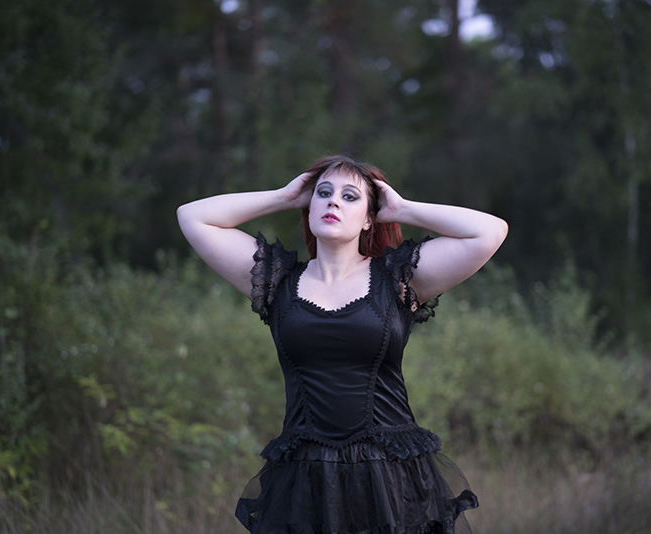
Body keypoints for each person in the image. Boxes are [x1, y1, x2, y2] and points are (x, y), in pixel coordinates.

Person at [177, 155, 508, 533]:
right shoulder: (277, 281)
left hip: (391, 478)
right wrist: (284, 197)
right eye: (323, 193)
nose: (333, 201)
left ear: (369, 218)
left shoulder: (399, 278)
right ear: (309, 206)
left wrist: (401, 209)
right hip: (306, 481)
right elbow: (193, 217)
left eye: (350, 196)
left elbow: (490, 231)